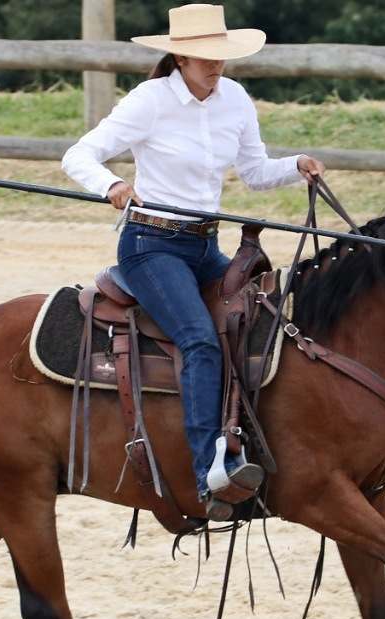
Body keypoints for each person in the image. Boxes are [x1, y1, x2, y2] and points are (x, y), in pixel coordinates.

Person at [62, 3, 325, 521]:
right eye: (204, 56)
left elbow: (253, 171)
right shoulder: (150, 101)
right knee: (200, 340)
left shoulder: (235, 100)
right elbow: (78, 155)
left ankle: (247, 439)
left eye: (219, 55)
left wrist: (295, 166)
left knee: (261, 323)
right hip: (150, 246)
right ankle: (210, 470)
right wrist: (111, 185)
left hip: (204, 247)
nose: (215, 64)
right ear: (179, 56)